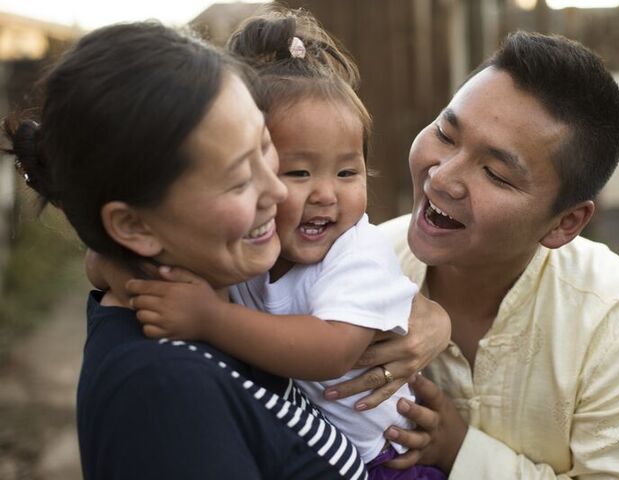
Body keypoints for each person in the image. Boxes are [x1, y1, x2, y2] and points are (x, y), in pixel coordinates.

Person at [3, 22, 448, 479]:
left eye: (266, 153)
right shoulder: (165, 389)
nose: (276, 190)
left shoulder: (204, 293)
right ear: (133, 227)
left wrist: (437, 317)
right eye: (239, 179)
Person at [327, 32, 619, 478]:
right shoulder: (358, 262)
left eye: (495, 174)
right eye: (445, 133)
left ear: (565, 223)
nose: (442, 179)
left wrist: (460, 451)